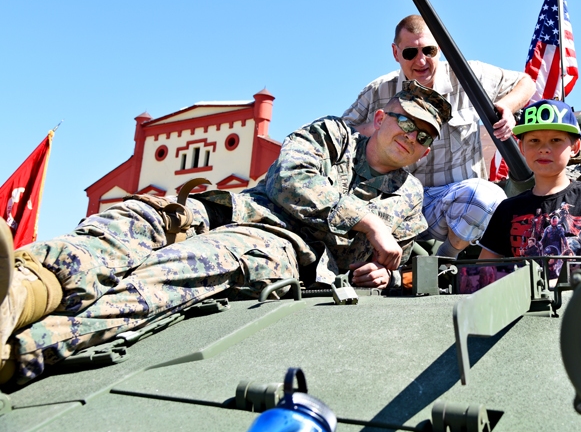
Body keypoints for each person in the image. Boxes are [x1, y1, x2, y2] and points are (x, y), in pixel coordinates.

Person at [0, 81, 452, 385]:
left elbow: (396, 265)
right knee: (135, 218)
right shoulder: (333, 134)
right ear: (379, 116)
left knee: (174, 270)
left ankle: (24, 350)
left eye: (426, 136)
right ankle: (19, 292)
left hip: (280, 248)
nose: (413, 137)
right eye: (407, 121)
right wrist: (367, 221)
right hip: (233, 209)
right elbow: (291, 179)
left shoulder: (410, 199)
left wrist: (377, 274)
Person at [343, 15, 536, 258]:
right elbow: (341, 136)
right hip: (394, 203)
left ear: (440, 49)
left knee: (489, 196)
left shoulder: (468, 76)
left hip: (456, 204)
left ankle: (444, 259)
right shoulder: (379, 91)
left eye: (429, 50)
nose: (421, 60)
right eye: (410, 52)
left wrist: (505, 106)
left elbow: (526, 82)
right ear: (395, 53)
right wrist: (377, 127)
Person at [478, 99, 581, 278]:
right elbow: (482, 277)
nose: (544, 148)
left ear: (574, 147)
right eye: (534, 140)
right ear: (521, 147)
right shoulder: (507, 210)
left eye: (556, 140)